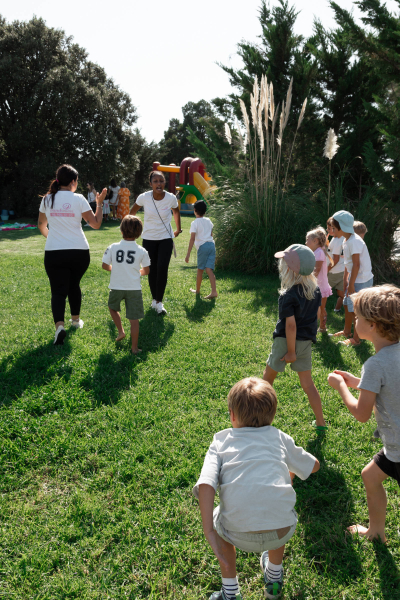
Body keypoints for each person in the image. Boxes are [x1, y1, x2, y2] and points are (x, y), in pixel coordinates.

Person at [193, 377, 320, 600]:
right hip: (281, 531)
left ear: (232, 415)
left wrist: (208, 531)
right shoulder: (280, 438)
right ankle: (274, 580)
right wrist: (290, 472)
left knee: (217, 516)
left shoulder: (221, 441)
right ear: (273, 414)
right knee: (278, 510)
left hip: (235, 532)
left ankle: (230, 592)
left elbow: (206, 484)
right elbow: (314, 466)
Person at [328, 285, 400, 543]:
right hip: (395, 448)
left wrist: (341, 388)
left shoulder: (376, 364)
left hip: (398, 449)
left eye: (357, 317)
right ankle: (376, 532)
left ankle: (377, 532)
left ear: (373, 326)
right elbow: (389, 385)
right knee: (370, 476)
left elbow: (361, 413)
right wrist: (358, 382)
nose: (354, 320)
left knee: (370, 476)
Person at [38, 164, 106, 345]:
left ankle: (59, 327)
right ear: (74, 182)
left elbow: (41, 225)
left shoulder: (47, 199)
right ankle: (75, 321)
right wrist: (99, 204)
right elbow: (96, 224)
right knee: (74, 285)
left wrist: (51, 237)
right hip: (79, 252)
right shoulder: (79, 198)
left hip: (54, 252)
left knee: (58, 291)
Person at [263, 244, 327, 431]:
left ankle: (258, 418)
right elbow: (316, 314)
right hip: (306, 342)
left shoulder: (287, 295)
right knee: (308, 384)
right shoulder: (315, 291)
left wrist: (291, 351)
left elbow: (290, 326)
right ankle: (321, 423)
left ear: (289, 269)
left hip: (285, 342)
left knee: (267, 381)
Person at [129, 170, 182, 315]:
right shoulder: (144, 197)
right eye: (156, 181)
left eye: (161, 181)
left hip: (165, 238)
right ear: (150, 183)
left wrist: (178, 229)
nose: (159, 184)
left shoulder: (170, 198)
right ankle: (154, 299)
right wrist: (127, 228)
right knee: (151, 270)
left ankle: (159, 302)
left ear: (165, 182)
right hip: (149, 239)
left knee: (162, 268)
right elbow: (131, 212)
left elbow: (176, 212)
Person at [102, 215, 150, 354]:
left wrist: (115, 269)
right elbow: (146, 271)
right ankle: (134, 348)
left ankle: (121, 331)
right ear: (139, 233)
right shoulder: (142, 251)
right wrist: (135, 273)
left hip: (116, 286)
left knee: (112, 308)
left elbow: (105, 265)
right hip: (134, 289)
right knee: (134, 320)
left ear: (121, 231)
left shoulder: (112, 247)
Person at [329, 210, 373, 347]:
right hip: (353, 279)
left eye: (334, 228)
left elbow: (356, 265)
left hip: (361, 280)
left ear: (342, 227)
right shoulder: (346, 240)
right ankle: (347, 331)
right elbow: (348, 263)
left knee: (357, 310)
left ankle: (356, 339)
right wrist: (345, 279)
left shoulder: (354, 241)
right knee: (347, 305)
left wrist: (352, 284)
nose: (332, 231)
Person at [185, 200, 217, 299]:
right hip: (212, 245)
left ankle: (198, 291)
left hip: (203, 247)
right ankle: (214, 292)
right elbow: (211, 234)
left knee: (200, 270)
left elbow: (192, 238)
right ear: (205, 211)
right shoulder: (209, 221)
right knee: (209, 269)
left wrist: (188, 254)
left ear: (194, 210)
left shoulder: (194, 223)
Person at [306, 227, 332, 332]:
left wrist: (306, 279)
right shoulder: (317, 252)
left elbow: (316, 271)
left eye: (307, 240)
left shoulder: (319, 253)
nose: (305, 243)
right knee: (319, 308)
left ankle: (321, 327)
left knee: (320, 308)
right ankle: (321, 327)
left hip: (320, 287)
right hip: (317, 285)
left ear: (315, 241)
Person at [326, 217, 345, 313]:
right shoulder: (339, 238)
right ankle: (337, 309)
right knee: (341, 293)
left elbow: (336, 259)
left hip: (334, 271)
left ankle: (319, 308)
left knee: (321, 291)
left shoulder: (337, 241)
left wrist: (326, 269)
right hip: (342, 271)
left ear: (336, 228)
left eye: (329, 228)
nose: (327, 230)